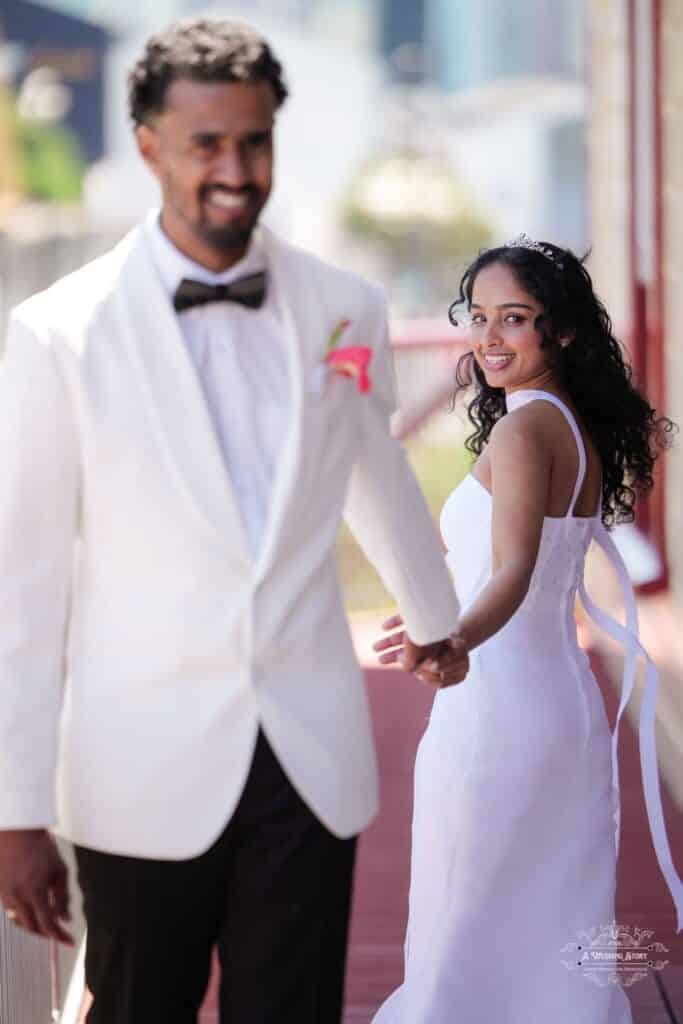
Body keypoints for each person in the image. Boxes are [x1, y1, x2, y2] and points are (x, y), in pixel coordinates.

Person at [0, 19, 468, 1024]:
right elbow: (24, 585)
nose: (233, 167)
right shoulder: (56, 334)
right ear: (148, 147)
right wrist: (15, 810)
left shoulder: (344, 304)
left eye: (252, 140)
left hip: (307, 757)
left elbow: (369, 462)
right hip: (137, 764)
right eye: (205, 142)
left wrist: (436, 613)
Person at [371, 235, 683, 1023]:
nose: (489, 337)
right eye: (478, 317)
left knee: (468, 912)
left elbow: (511, 575)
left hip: (499, 706)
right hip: (551, 699)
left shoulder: (522, 431)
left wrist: (451, 644)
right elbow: (510, 569)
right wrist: (432, 615)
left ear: (563, 331)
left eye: (514, 318)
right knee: (539, 915)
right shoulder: (560, 423)